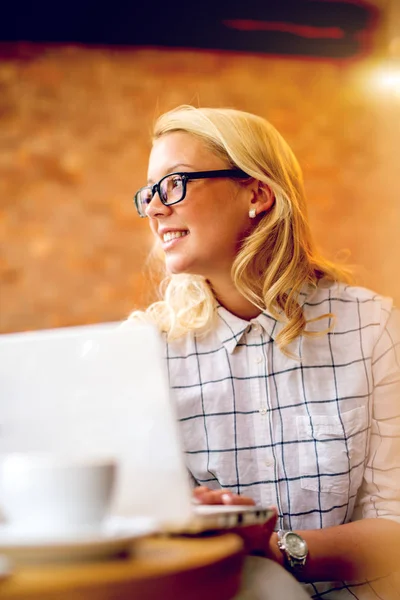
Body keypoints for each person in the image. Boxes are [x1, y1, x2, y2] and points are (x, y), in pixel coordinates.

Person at [129, 105, 400, 599]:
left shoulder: (374, 326)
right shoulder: (147, 353)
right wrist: (184, 516)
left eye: (173, 184)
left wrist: (276, 549)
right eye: (148, 193)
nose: (154, 209)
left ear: (256, 193)